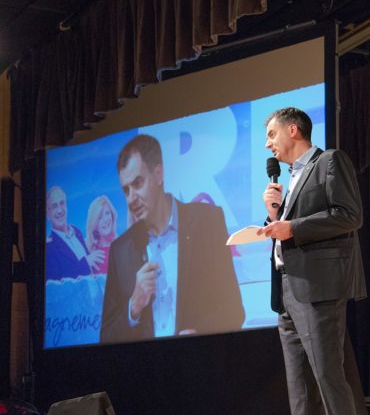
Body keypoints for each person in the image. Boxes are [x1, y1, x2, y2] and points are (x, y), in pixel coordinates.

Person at [259, 107, 370, 415]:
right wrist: (276, 215)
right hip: (288, 292)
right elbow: (291, 231)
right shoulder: (288, 180)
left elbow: (349, 216)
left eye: (272, 134)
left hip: (321, 287)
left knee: (330, 381)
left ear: (294, 130)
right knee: (301, 392)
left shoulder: (329, 162)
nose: (268, 143)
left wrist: (294, 227)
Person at [100, 134, 245, 343]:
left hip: (198, 366)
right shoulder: (121, 250)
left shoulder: (207, 222)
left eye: (138, 183)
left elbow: (234, 310)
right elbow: (106, 338)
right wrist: (134, 306)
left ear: (158, 174)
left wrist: (200, 335)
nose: (131, 198)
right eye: (126, 189)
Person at [46, 186, 104, 280]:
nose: (60, 210)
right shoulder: (49, 247)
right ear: (48, 214)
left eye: (62, 203)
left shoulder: (77, 232)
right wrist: (86, 263)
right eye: (54, 206)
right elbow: (55, 279)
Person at [85, 195, 118, 274]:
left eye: (107, 213)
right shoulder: (88, 252)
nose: (106, 220)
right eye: (100, 217)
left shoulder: (121, 246)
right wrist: (86, 263)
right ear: (94, 225)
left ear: (112, 215)